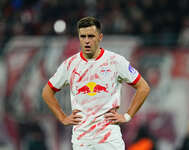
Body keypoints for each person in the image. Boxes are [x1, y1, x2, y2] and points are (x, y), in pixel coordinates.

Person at [42, 16, 150, 150]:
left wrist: (127, 116)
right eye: (83, 36)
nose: (87, 41)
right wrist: (63, 117)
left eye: (91, 36)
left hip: (109, 140)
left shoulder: (115, 61)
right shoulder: (70, 65)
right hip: (82, 141)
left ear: (100, 37)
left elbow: (143, 87)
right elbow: (47, 91)